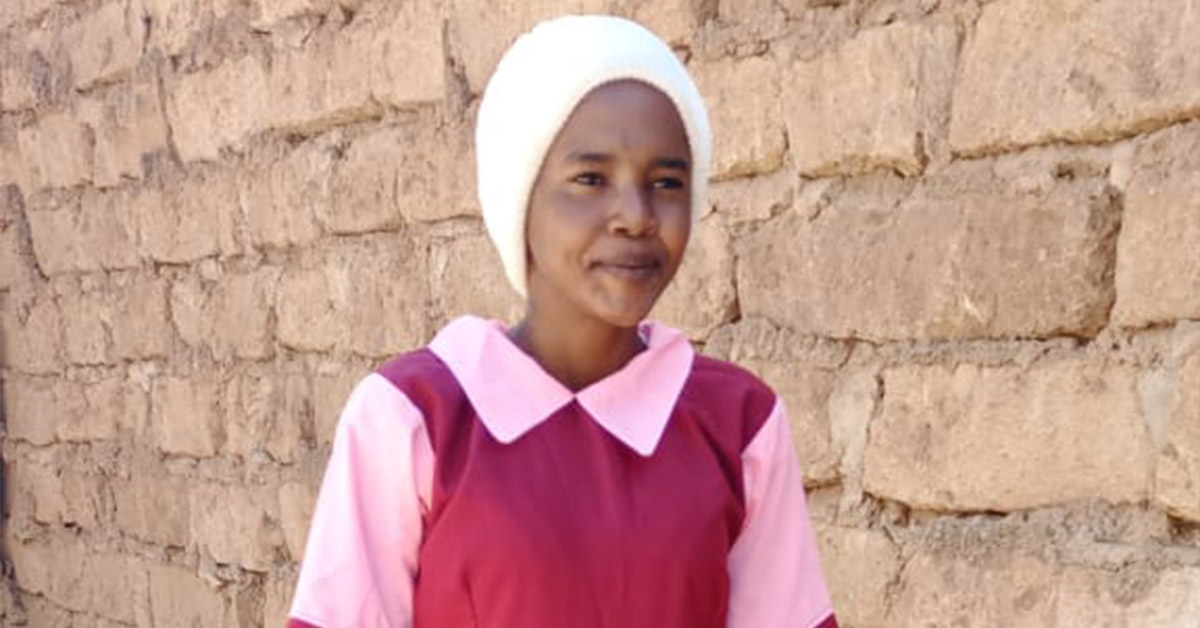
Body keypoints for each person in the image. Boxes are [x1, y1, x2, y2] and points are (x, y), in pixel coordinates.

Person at [287, 15, 838, 628]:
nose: (635, 215)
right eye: (590, 179)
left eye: (666, 182)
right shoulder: (416, 418)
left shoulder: (739, 426)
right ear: (519, 197)